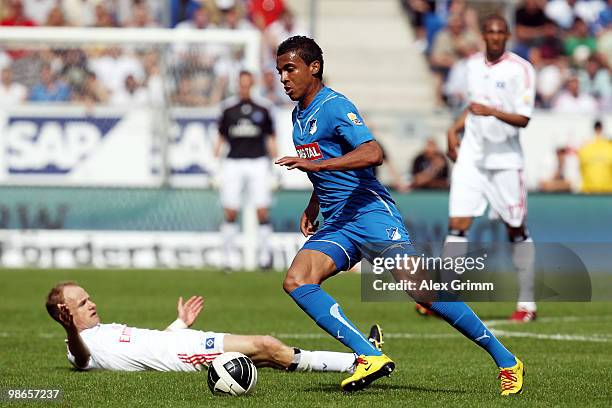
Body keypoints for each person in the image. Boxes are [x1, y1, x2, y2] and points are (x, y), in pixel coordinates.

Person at [275, 35, 524, 395]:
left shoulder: (333, 105)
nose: (283, 77)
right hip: (339, 220)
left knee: (422, 291)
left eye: (290, 68)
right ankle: (367, 355)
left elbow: (373, 152)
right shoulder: (299, 115)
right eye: (280, 70)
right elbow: (326, 165)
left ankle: (506, 360)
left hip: (371, 212)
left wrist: (316, 164)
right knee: (297, 280)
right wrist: (314, 204)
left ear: (314, 68)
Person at [46, 281, 359, 373]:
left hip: (184, 343)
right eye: (83, 303)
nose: (92, 304)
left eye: (90, 297)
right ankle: (356, 363)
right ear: (66, 314)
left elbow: (147, 347)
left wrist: (180, 323)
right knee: (266, 344)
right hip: (186, 355)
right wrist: (71, 330)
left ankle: (358, 361)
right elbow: (83, 359)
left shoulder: (104, 330)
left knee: (265, 357)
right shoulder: (81, 347)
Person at [446, 15, 537, 323]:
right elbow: (472, 107)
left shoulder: (521, 70)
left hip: (505, 160)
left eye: (501, 32)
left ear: (508, 35)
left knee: (516, 228)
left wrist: (492, 112)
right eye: (491, 31)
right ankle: (447, 297)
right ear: (484, 34)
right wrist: (453, 130)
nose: (496, 36)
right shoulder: (471, 65)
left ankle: (527, 303)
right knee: (458, 224)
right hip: (472, 155)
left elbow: (524, 118)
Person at [214, 70, 277, 270]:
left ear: (252, 84)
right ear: (237, 85)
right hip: (233, 162)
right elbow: (221, 138)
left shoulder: (263, 108)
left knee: (262, 210)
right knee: (231, 211)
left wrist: (276, 167)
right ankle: (228, 258)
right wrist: (214, 165)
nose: (244, 87)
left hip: (258, 162)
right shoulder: (228, 109)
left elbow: (271, 138)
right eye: (241, 84)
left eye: (247, 84)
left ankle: (265, 257)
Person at [578, 120, 612, 193]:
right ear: (601, 129)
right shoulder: (609, 146)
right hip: (607, 192)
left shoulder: (584, 147)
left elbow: (580, 168)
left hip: (589, 192)